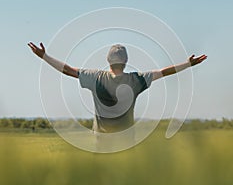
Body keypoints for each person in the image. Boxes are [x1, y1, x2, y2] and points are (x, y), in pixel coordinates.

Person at [28, 42, 207, 134]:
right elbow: (163, 72)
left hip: (100, 142)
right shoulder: (135, 80)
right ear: (126, 61)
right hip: (125, 142)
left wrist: (44, 56)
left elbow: (67, 70)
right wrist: (187, 64)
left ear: (108, 60)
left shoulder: (95, 77)